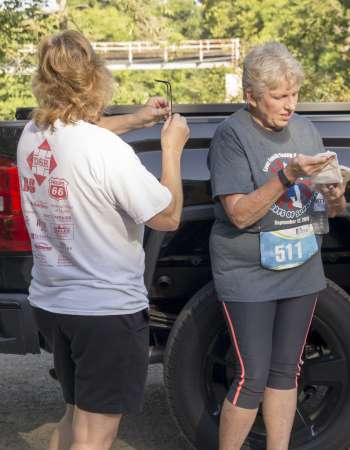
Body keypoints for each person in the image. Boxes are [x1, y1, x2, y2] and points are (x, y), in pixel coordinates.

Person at [17, 30, 189, 450]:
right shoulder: (105, 151)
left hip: (54, 304)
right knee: (94, 437)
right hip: (104, 313)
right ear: (95, 77)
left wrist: (135, 120)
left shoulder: (32, 135)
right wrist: (172, 149)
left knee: (75, 418)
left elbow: (80, 132)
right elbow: (166, 216)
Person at [208, 42, 347, 450]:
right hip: (248, 273)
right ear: (251, 96)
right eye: (279, 96)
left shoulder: (305, 130)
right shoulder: (231, 135)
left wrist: (336, 194)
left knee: (288, 372)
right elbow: (239, 214)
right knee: (252, 376)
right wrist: (286, 175)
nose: (290, 105)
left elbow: (327, 211)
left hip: (301, 268)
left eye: (294, 94)